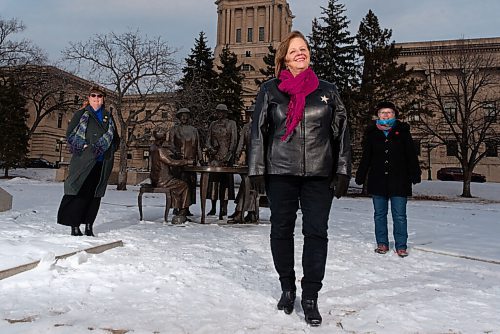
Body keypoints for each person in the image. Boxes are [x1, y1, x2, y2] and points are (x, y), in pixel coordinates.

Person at [248, 31, 351, 326]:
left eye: (303, 49)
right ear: (284, 57)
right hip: (280, 172)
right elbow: (258, 131)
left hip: (319, 174)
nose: (300, 53)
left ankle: (310, 296)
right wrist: (255, 169)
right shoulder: (271, 90)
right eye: (294, 50)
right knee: (281, 231)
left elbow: (342, 131)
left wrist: (343, 169)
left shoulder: (327, 90)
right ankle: (287, 287)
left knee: (316, 233)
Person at [355, 101, 421, 258]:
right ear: (378, 115)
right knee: (379, 214)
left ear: (395, 114)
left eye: (389, 112)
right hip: (378, 180)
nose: (386, 115)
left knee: (399, 215)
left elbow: (411, 154)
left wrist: (415, 173)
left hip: (399, 180)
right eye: (383, 112)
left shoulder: (403, 131)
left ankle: (401, 246)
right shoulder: (372, 133)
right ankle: (382, 243)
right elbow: (366, 157)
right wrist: (361, 174)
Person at [57, 85, 119, 236]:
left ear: (103, 99)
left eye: (99, 96)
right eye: (93, 96)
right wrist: (84, 146)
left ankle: (89, 225)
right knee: (79, 193)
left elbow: (116, 139)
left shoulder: (108, 117)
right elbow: (70, 135)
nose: (96, 99)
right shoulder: (81, 114)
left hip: (102, 162)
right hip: (83, 162)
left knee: (95, 196)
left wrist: (109, 149)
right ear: (89, 98)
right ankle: (75, 225)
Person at [150, 130, 193, 224]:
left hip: (155, 179)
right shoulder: (160, 149)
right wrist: (186, 162)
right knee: (184, 185)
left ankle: (178, 209)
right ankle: (182, 211)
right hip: (163, 180)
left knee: (177, 185)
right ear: (163, 138)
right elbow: (171, 162)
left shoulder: (152, 147)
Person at [205, 103, 238, 218]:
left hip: (226, 157)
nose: (219, 114)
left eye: (221, 112)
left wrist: (229, 155)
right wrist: (210, 149)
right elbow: (208, 139)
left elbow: (234, 140)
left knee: (226, 183)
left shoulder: (231, 124)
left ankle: (223, 208)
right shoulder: (212, 124)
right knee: (213, 183)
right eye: (218, 112)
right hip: (214, 157)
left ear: (225, 113)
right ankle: (213, 207)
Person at [168, 108, 203, 216]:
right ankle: (177, 206)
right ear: (179, 117)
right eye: (182, 115)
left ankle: (186, 207)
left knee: (190, 184)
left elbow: (198, 147)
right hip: (179, 162)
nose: (184, 117)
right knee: (179, 185)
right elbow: (171, 144)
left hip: (191, 161)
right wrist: (176, 153)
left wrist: (201, 159)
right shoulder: (174, 129)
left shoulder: (194, 130)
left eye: (186, 115)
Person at [228, 105, 258, 224]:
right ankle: (249, 213)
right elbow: (241, 144)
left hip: (260, 164)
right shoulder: (246, 127)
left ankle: (240, 212)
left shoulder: (263, 126)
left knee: (248, 186)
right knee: (246, 186)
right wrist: (237, 155)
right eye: (250, 113)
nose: (252, 116)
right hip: (249, 161)